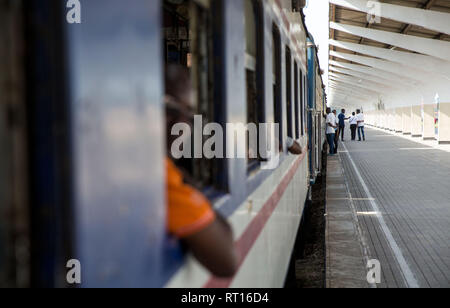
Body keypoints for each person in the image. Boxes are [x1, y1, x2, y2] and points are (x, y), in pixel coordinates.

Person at [165, 65, 238, 278]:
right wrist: (188, 185)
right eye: (181, 110)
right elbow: (226, 261)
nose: (185, 122)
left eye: (189, 113)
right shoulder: (159, 180)